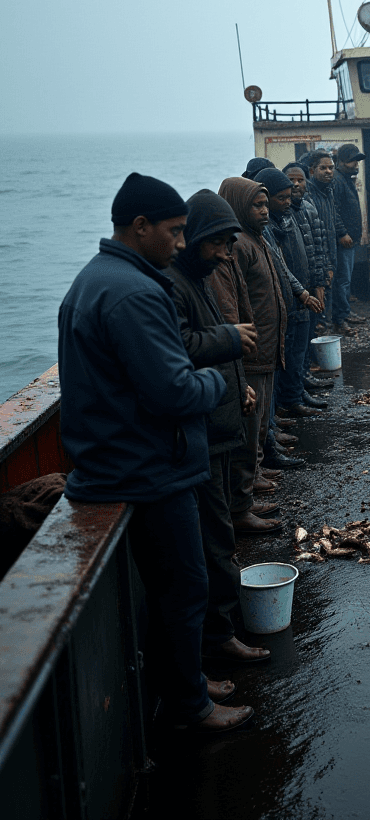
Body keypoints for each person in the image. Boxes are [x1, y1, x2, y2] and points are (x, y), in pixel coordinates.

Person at [59, 172, 252, 732]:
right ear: (139, 226)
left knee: (176, 589)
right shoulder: (134, 292)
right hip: (146, 469)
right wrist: (221, 385)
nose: (181, 243)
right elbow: (173, 390)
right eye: (173, 231)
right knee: (185, 586)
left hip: (121, 460)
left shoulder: (99, 279)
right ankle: (191, 705)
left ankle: (188, 681)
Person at [166, 189, 277, 664]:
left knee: (218, 539)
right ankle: (220, 638)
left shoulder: (198, 276)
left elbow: (210, 344)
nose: (224, 254)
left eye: (229, 245)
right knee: (212, 547)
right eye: (217, 244)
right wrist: (231, 342)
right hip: (200, 439)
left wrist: (239, 387)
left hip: (219, 424)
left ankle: (221, 630)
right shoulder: (175, 284)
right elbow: (182, 349)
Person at [210, 177, 289, 531]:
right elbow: (232, 306)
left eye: (265, 205)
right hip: (251, 351)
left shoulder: (256, 239)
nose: (265, 211)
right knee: (248, 426)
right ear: (240, 206)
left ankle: (254, 476)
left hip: (267, 346)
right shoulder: (239, 245)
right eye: (257, 206)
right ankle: (242, 503)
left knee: (257, 426)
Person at [255, 168, 325, 421]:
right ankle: (284, 406)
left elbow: (310, 245)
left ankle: (294, 396)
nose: (288, 201)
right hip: (290, 299)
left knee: (298, 352)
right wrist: (302, 292)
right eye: (281, 198)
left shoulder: (288, 216)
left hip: (300, 294)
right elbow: (280, 266)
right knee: (287, 357)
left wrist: (315, 281)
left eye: (288, 197)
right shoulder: (266, 227)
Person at [284, 161, 333, 392]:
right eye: (291, 180)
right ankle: (296, 387)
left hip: (310, 283)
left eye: (300, 180)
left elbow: (318, 247)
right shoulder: (282, 214)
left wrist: (320, 281)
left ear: (306, 181)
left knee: (307, 331)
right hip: (292, 287)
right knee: (293, 339)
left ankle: (303, 378)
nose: (295, 184)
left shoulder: (309, 208)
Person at [332, 143, 367, 330]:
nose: (356, 164)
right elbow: (334, 211)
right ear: (343, 161)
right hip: (343, 240)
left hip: (350, 240)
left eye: (357, 161)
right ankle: (340, 318)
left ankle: (345, 311)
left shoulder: (345, 178)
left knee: (346, 279)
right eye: (353, 160)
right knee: (342, 280)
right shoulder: (337, 181)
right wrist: (342, 233)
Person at [305, 150, 338, 331]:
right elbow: (316, 236)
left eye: (331, 168)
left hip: (330, 258)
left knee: (327, 307)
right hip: (319, 262)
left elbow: (331, 227)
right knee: (320, 312)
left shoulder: (328, 191)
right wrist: (325, 266)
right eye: (323, 168)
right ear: (312, 170)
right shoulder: (309, 195)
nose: (328, 172)